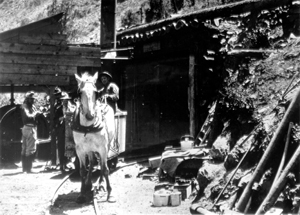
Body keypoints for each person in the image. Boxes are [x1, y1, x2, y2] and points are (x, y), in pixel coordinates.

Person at [21, 91, 41, 173]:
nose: (33, 100)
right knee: (30, 148)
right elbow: (28, 116)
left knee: (25, 148)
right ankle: (28, 168)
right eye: (31, 99)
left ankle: (25, 168)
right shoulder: (25, 107)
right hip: (29, 129)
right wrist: (36, 114)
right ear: (28, 99)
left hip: (28, 128)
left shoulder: (31, 106)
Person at [53, 87, 67, 171]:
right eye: (64, 100)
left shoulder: (70, 108)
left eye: (66, 100)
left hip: (69, 130)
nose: (65, 102)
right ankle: (61, 164)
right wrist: (62, 118)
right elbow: (55, 119)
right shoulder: (58, 108)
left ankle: (66, 163)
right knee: (61, 147)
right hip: (61, 130)